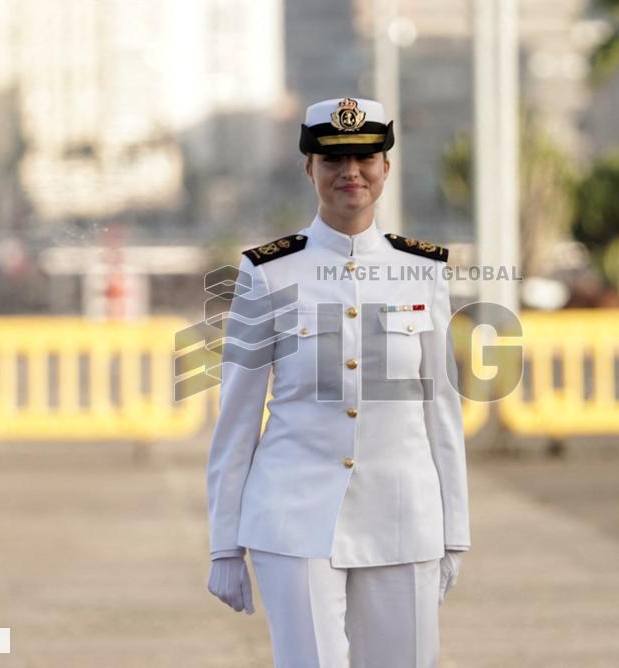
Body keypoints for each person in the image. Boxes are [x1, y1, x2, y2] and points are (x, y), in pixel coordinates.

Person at [205, 96, 471, 667]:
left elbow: (441, 410)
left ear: (385, 167)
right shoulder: (268, 271)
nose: (350, 172)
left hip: (403, 513)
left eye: (364, 157)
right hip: (294, 515)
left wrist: (455, 530)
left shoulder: (423, 270)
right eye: (332, 159)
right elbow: (238, 414)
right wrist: (223, 542)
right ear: (309, 169)